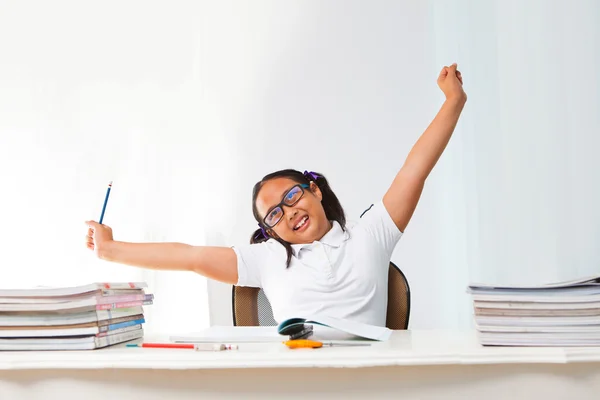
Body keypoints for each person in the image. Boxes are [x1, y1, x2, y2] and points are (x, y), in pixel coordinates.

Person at [86, 63, 467, 326]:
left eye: (291, 197)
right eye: (273, 216)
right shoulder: (266, 259)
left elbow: (415, 169)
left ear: (314, 190)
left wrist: (453, 101)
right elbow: (190, 257)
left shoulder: (371, 235)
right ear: (270, 232)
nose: (287, 214)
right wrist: (112, 249)